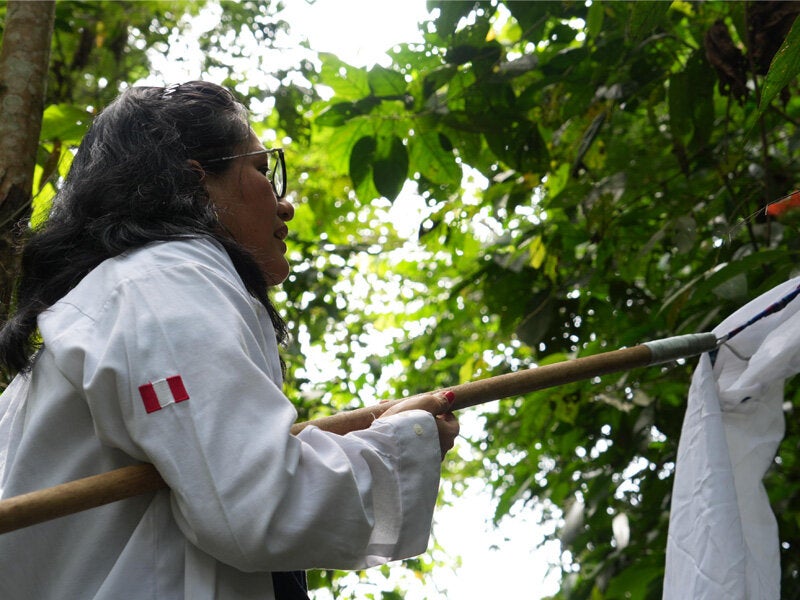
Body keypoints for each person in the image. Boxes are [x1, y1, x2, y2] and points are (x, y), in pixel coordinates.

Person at [0, 81, 459, 600]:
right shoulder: (162, 280)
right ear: (196, 183)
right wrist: (402, 441)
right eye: (263, 170)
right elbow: (260, 507)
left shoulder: (134, 292)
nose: (285, 206)